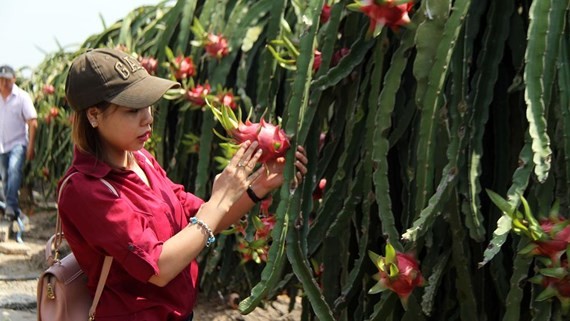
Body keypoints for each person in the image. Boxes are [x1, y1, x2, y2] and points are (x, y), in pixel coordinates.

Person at [59, 47, 308, 321]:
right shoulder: (84, 190)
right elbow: (159, 268)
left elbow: (200, 218)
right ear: (94, 115)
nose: (148, 117)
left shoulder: (142, 160)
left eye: (149, 104)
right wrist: (219, 200)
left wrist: (258, 185)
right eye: (132, 110)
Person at [0, 65, 38, 243]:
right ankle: (13, 211)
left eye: (7, 79)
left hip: (18, 144)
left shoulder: (22, 97)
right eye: (1, 79)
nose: (4, 82)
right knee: (6, 179)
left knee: (14, 171)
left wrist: (30, 146)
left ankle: (10, 208)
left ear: (14, 79)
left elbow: (33, 122)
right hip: (1, 146)